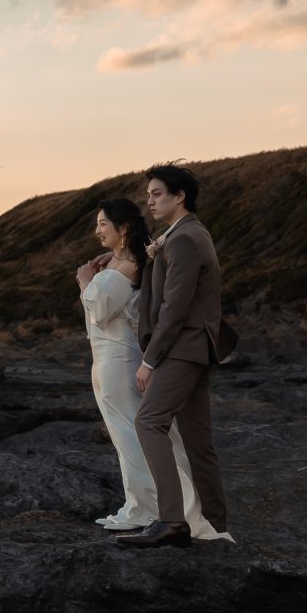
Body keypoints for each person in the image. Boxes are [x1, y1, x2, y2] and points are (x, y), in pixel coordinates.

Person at [76, 197, 212, 537]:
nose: (97, 230)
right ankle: (141, 504)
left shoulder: (130, 266)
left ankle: (150, 507)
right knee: (125, 437)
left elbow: (100, 312)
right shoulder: (120, 264)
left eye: (103, 224)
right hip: (106, 358)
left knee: (131, 434)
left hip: (119, 362)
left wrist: (83, 282)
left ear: (122, 229)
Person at [122, 163, 233, 549]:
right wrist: (152, 256)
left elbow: (175, 307)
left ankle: (171, 520)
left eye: (156, 193)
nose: (148, 200)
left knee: (149, 421)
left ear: (179, 196)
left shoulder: (185, 239)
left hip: (182, 348)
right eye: (148, 194)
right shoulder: (183, 234)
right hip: (195, 348)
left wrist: (150, 360)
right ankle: (214, 524)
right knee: (198, 440)